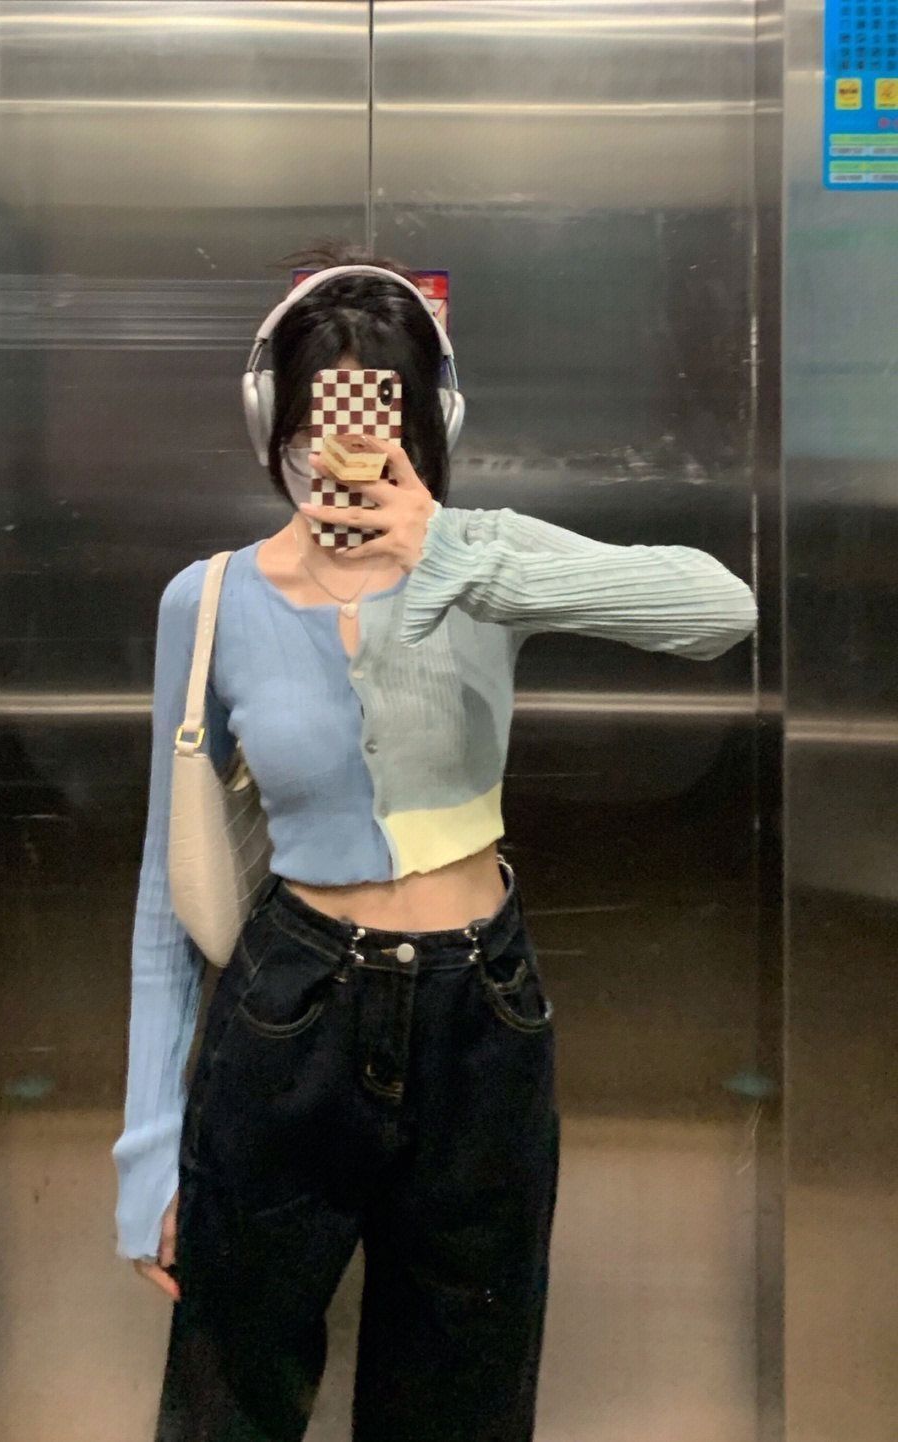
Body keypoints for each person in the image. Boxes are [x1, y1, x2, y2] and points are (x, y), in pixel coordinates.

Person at [112, 242, 759, 1442]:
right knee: (226, 1403)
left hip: (481, 1015)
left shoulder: (482, 556)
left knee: (462, 1403)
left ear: (431, 422)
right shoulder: (210, 600)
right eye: (318, 424)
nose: (349, 456)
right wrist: (149, 1151)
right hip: (290, 1010)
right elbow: (166, 890)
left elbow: (721, 608)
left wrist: (449, 555)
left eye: (384, 419)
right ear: (274, 425)